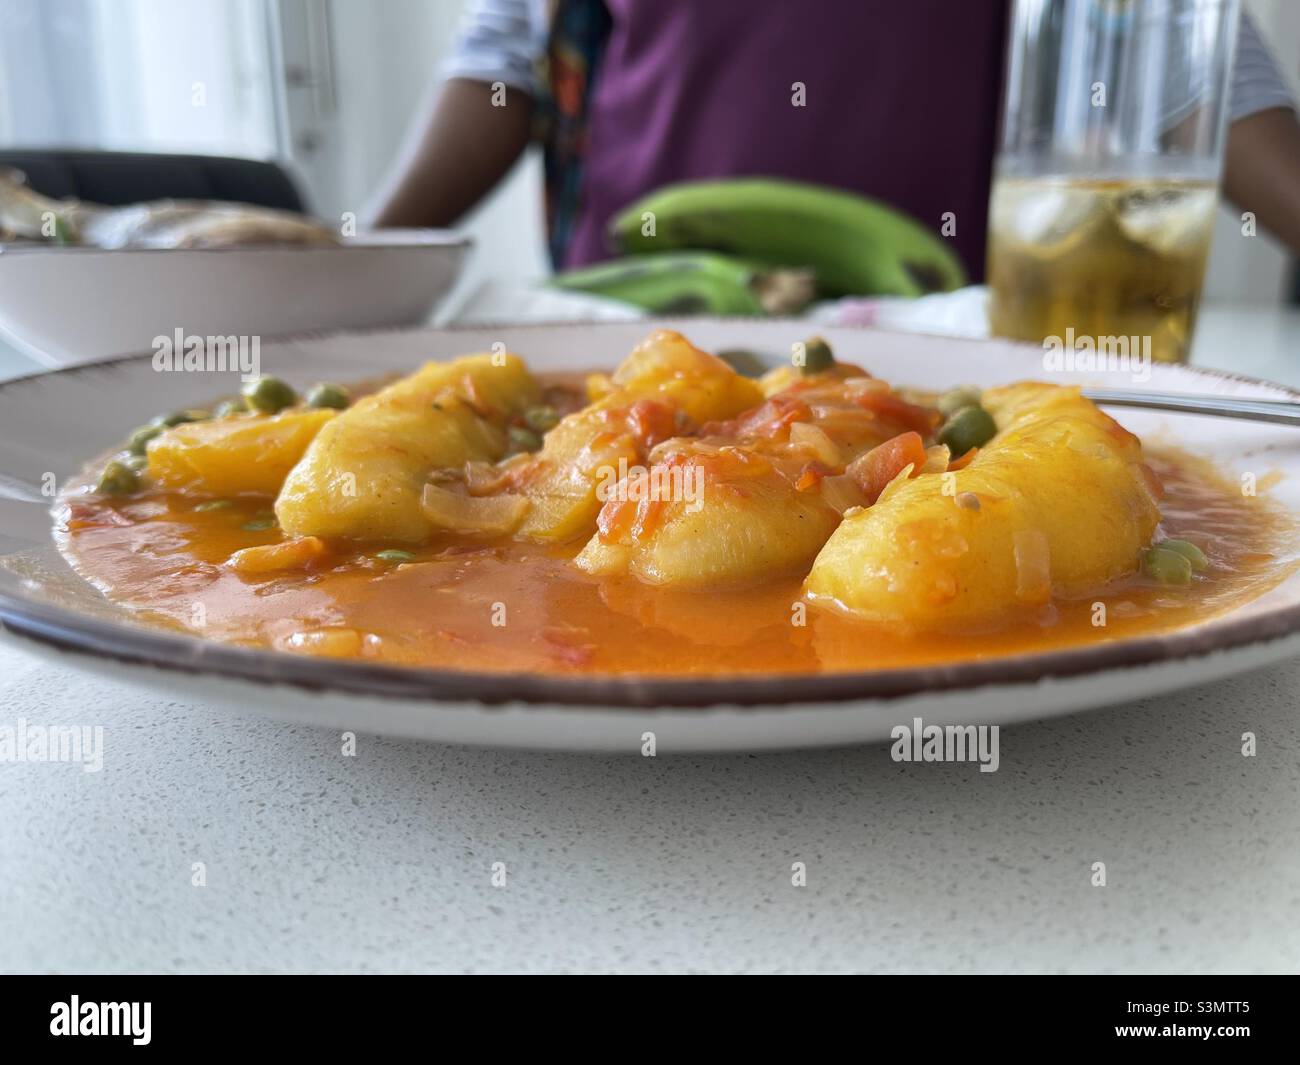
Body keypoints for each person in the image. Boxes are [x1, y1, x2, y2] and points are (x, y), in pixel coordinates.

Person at [369, 0, 1300, 282]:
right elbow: (508, 61)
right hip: (630, 308)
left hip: (937, 329)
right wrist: (359, 259)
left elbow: (1199, 65)